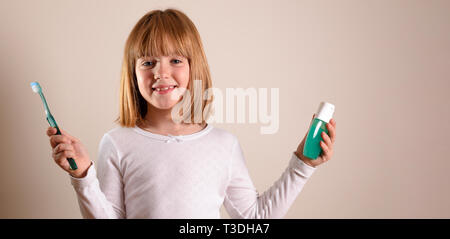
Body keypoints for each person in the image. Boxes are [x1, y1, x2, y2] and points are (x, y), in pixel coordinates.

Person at [47, 8, 337, 219]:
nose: (161, 73)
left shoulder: (224, 145)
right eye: (148, 62)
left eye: (175, 60)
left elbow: (254, 218)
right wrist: (83, 176)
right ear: (133, 75)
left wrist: (303, 165)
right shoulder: (117, 143)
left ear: (193, 67)